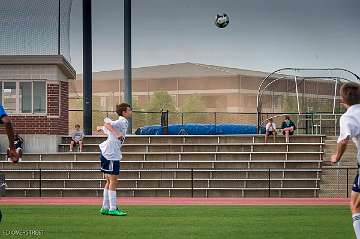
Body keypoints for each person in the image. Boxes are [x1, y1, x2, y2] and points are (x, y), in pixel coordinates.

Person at [330, 82, 360, 238]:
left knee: (355, 205)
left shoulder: (348, 117)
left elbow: (343, 140)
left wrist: (336, 157)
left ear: (342, 102)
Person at [97, 103, 132, 216]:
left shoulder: (121, 123)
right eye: (129, 110)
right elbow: (108, 125)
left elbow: (106, 126)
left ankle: (105, 207)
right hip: (111, 154)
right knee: (113, 181)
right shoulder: (122, 121)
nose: (131, 112)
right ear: (124, 112)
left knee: (108, 181)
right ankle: (112, 208)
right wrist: (116, 133)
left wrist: (100, 128)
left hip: (107, 152)